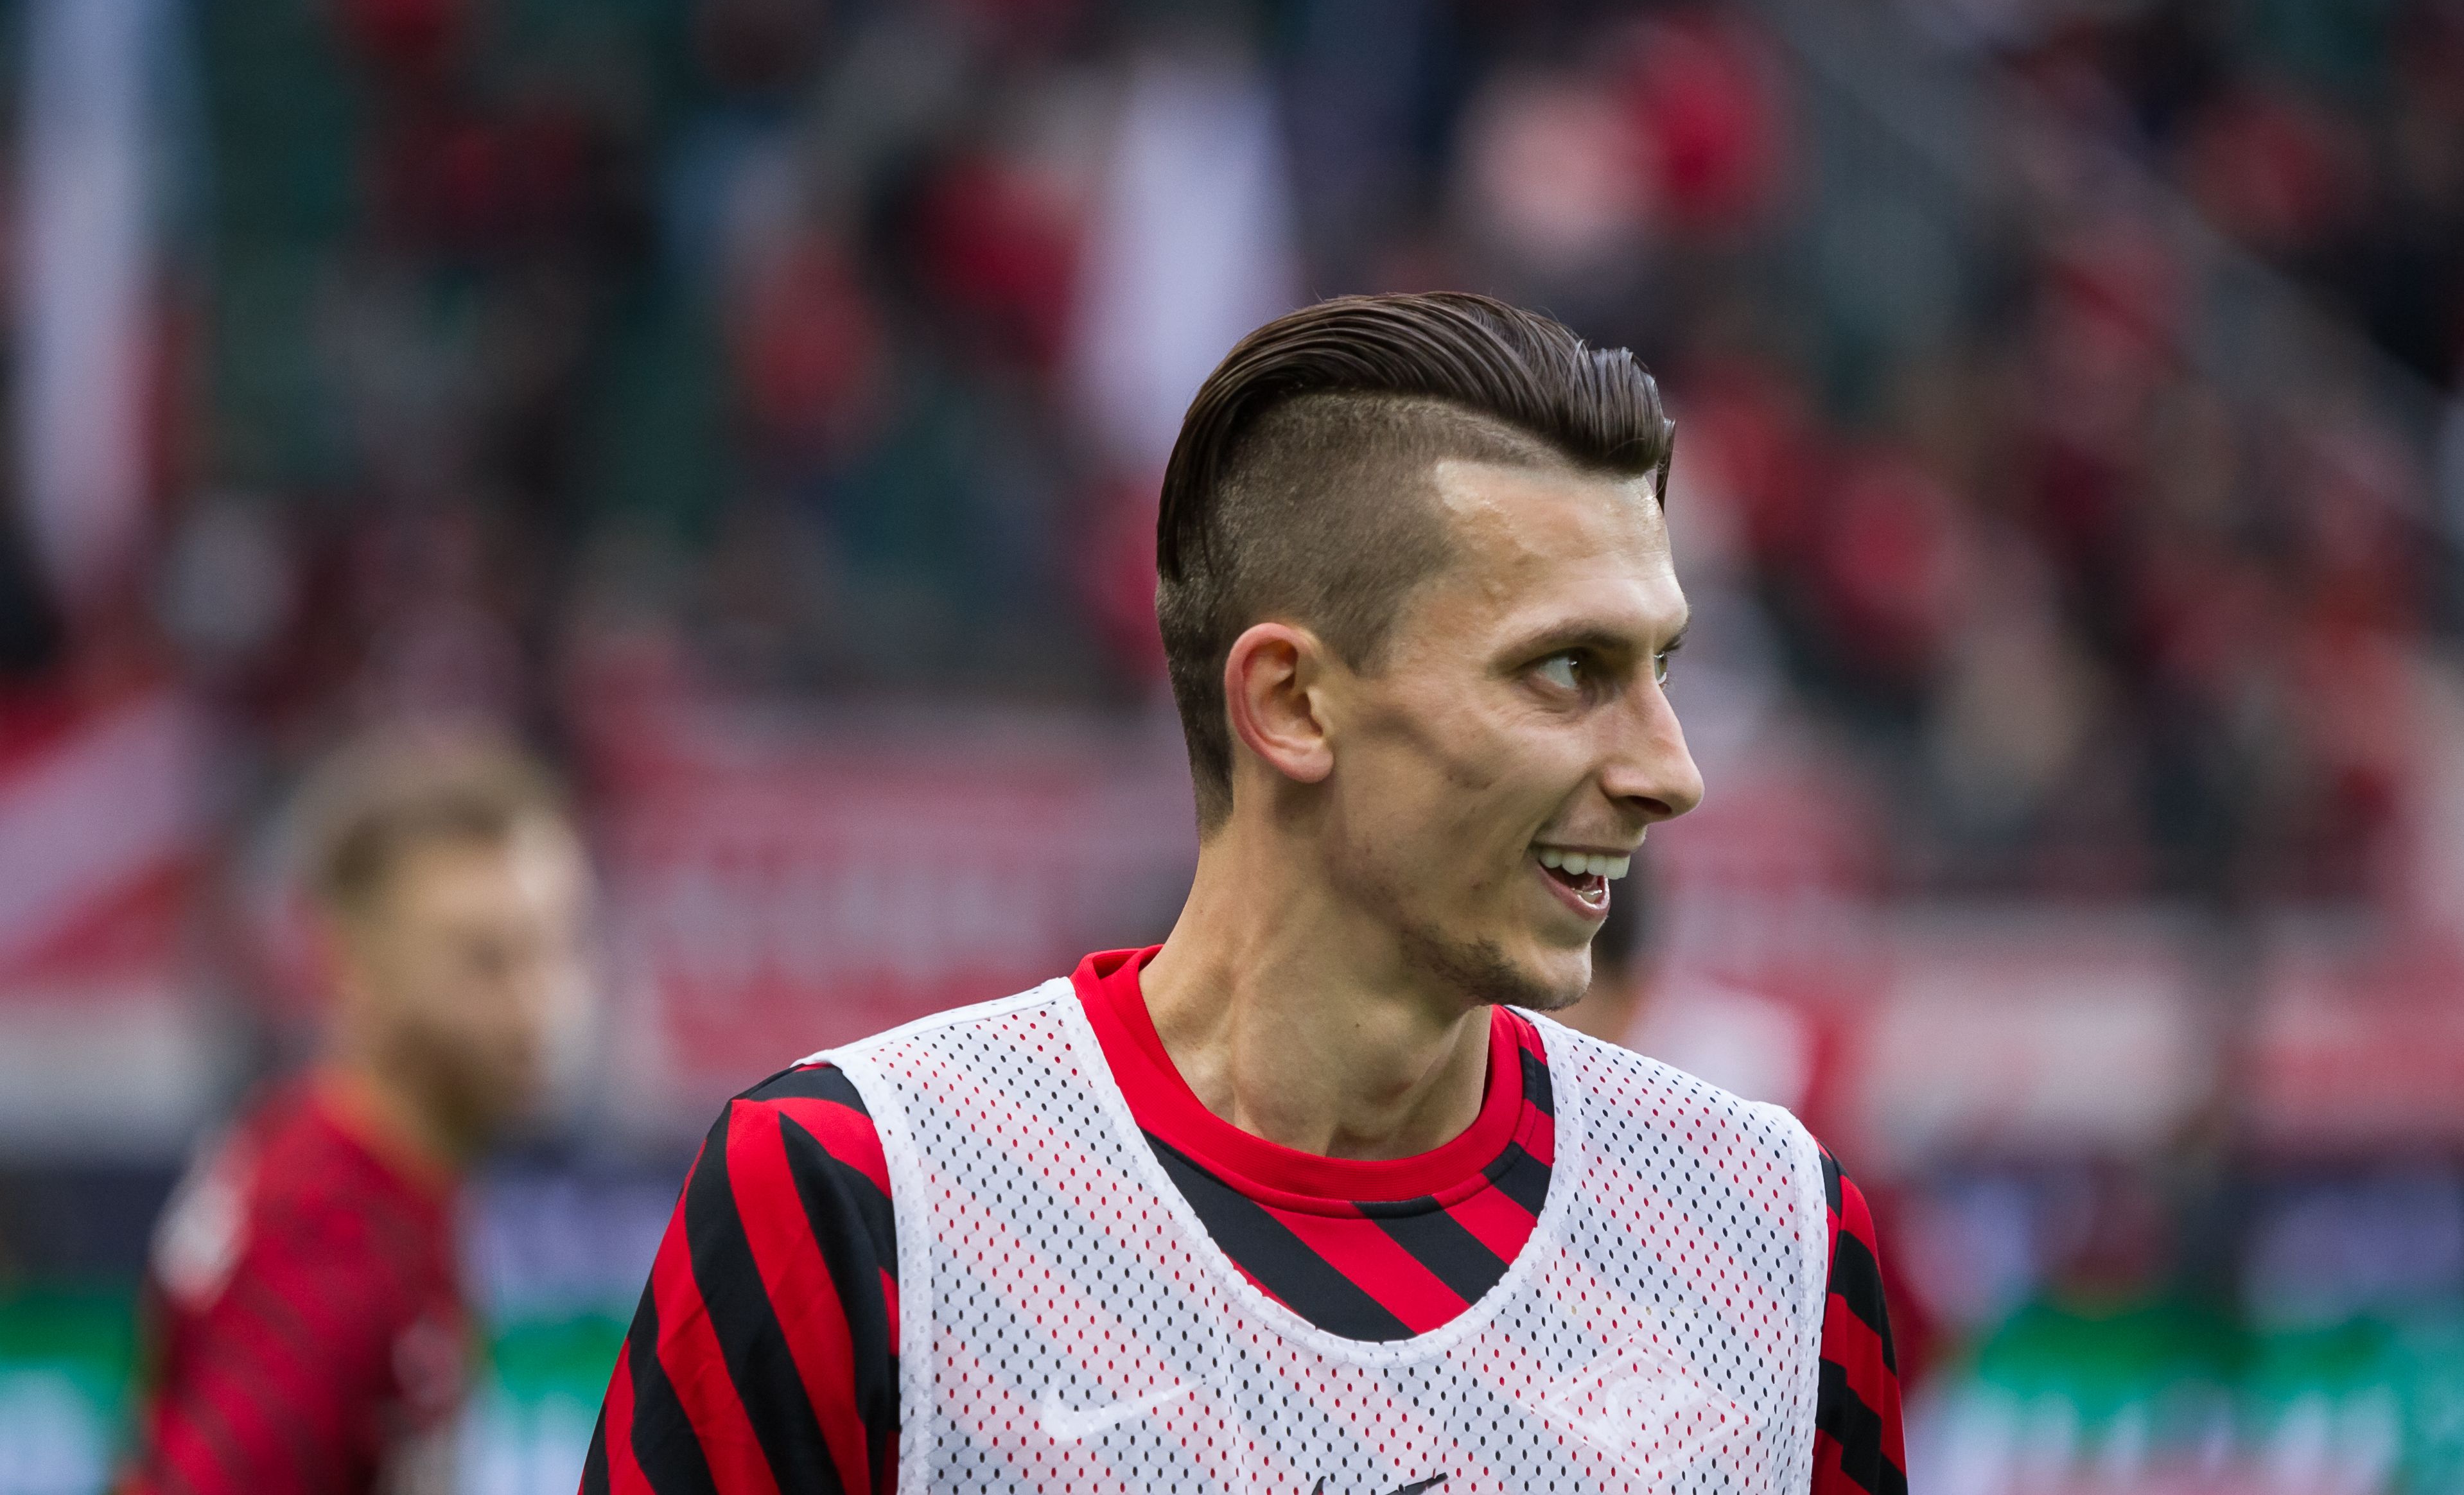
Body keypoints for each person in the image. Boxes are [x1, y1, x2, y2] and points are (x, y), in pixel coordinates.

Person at [583, 292, 1904, 1494]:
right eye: (1567, 669)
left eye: (1662, 668)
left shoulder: (1776, 1233)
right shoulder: (859, 1192)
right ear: (1290, 702)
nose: (1670, 772)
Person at [122, 728, 591, 1495]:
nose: (536, 1005)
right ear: (351, 966)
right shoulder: (328, 1236)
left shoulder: (364, 1169)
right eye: (484, 960)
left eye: (555, 947)